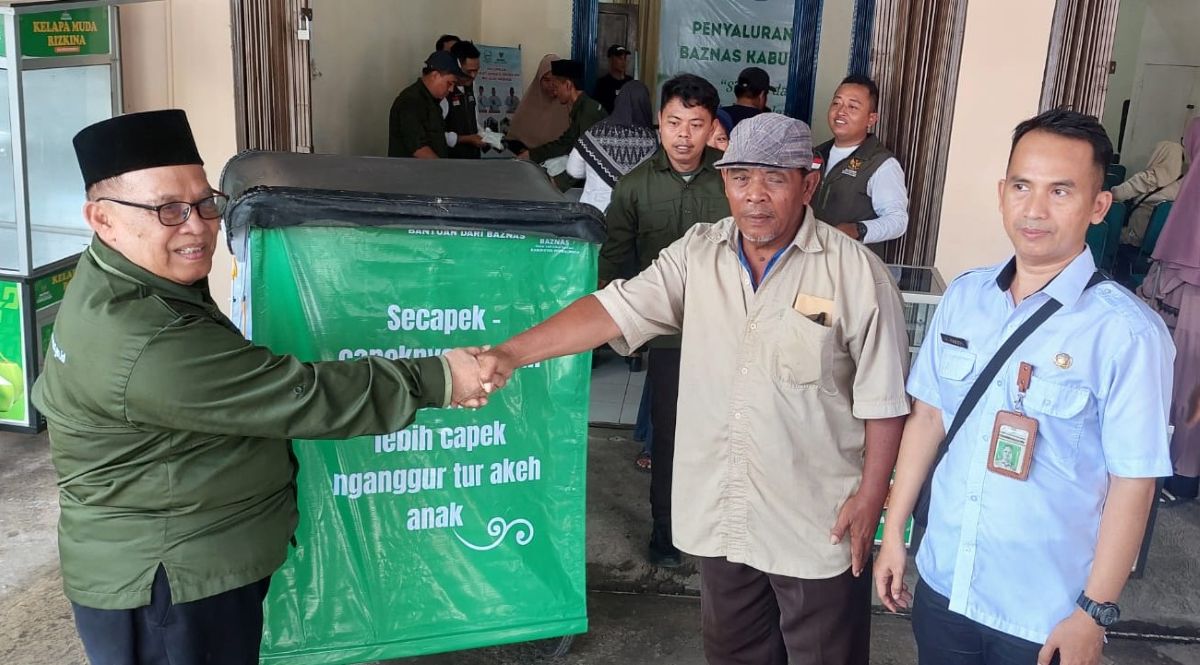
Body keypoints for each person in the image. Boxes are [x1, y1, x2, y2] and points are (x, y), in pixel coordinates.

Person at [32, 109, 492, 665]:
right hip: (171, 582)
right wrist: (440, 377)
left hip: (176, 556)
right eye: (168, 210)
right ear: (101, 219)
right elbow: (304, 397)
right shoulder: (146, 342)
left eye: (205, 203)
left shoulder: (121, 277)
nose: (197, 227)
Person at [478, 113, 910, 664]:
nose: (755, 195)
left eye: (775, 179)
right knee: (734, 653)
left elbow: (884, 401)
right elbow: (614, 309)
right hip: (725, 513)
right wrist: (511, 354)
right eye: (741, 177)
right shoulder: (698, 254)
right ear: (724, 182)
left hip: (816, 519)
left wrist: (872, 498)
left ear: (807, 184)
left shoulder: (856, 275)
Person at [874, 109, 1174, 665]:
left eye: (1061, 191)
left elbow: (1134, 481)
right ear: (1001, 193)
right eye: (1021, 186)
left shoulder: (1127, 333)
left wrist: (1094, 612)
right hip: (945, 582)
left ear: (1098, 206)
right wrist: (894, 531)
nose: (1034, 210)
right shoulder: (965, 297)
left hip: (1045, 612)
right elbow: (929, 417)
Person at [597, 73, 731, 568]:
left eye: (696, 124)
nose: (683, 136)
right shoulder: (634, 186)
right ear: (659, 122)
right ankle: (666, 533)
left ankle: (721, 526)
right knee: (671, 437)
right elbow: (615, 259)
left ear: (712, 127)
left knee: (727, 434)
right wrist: (615, 328)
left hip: (730, 331)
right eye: (674, 122)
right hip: (671, 338)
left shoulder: (732, 180)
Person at [1138, 116, 1200, 505]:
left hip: (1190, 285)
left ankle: (1181, 473)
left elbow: (1181, 249)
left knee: (1186, 379)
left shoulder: (1193, 193)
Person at [811, 74, 909, 244]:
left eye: (852, 107)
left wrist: (858, 229)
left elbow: (897, 220)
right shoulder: (815, 153)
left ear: (871, 119)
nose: (840, 112)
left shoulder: (881, 163)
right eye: (836, 103)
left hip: (849, 257)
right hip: (811, 254)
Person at [566, 80, 657, 212]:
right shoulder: (653, 140)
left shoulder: (595, 132)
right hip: (635, 217)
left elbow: (573, 170)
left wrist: (594, 171)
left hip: (593, 214)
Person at [518, 59, 606, 165]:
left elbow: (587, 155)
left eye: (556, 87)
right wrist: (531, 155)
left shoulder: (588, 112)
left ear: (568, 85)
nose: (555, 93)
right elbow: (564, 143)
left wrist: (562, 179)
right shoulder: (581, 108)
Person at [387, 51, 465, 159]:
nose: (451, 89)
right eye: (449, 83)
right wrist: (442, 168)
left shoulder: (434, 103)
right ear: (435, 75)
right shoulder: (411, 101)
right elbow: (418, 148)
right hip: (412, 169)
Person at [1113, 136, 1187, 247]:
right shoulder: (1183, 186)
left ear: (1159, 155)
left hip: (1133, 237)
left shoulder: (1148, 178)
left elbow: (1117, 195)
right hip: (1159, 244)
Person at [506, 54, 571, 155]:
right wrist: (529, 154)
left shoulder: (570, 106)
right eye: (547, 80)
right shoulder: (527, 106)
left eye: (556, 80)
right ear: (539, 80)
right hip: (530, 162)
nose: (552, 85)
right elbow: (512, 141)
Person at [442, 40, 485, 159]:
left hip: (473, 159)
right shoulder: (443, 90)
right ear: (456, 66)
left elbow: (474, 121)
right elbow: (436, 135)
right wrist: (466, 139)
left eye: (476, 70)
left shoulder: (471, 85)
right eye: (469, 71)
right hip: (451, 160)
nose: (473, 76)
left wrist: (487, 137)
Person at [594, 44, 633, 114]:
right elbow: (598, 109)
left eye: (624, 58)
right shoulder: (603, 84)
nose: (623, 62)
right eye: (620, 58)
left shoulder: (631, 82)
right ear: (610, 60)